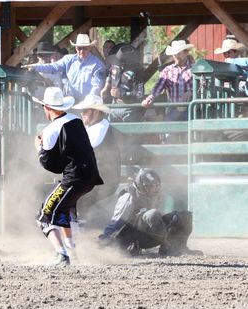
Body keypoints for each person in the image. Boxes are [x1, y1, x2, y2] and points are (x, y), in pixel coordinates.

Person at [34, 87, 103, 266]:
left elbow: (50, 165)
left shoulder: (50, 130)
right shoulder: (75, 120)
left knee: (44, 214)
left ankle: (61, 254)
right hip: (90, 176)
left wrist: (39, 149)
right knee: (63, 209)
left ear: (46, 107)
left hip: (74, 178)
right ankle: (71, 249)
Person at [98, 168, 202, 256]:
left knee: (185, 216)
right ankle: (166, 245)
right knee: (153, 214)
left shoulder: (154, 195)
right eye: (152, 186)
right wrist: (104, 240)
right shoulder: (128, 197)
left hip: (148, 233)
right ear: (143, 186)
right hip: (131, 238)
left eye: (157, 185)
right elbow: (116, 221)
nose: (156, 188)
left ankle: (178, 248)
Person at [74, 95, 121, 228]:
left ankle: (79, 230)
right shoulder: (96, 127)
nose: (82, 114)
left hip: (103, 181)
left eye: (85, 111)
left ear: (96, 112)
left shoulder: (100, 127)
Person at [23, 34, 106, 103]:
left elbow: (97, 85)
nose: (81, 51)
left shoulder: (97, 64)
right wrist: (35, 67)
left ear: (90, 48)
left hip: (87, 102)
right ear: (75, 48)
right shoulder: (68, 59)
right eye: (79, 48)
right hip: (70, 100)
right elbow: (53, 67)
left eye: (84, 48)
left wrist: (89, 100)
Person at [141, 40, 195, 121]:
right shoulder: (167, 70)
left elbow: (203, 88)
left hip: (191, 108)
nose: (176, 56)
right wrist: (150, 98)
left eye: (178, 53)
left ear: (186, 52)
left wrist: (191, 92)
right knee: (171, 131)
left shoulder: (195, 69)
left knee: (190, 132)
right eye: (174, 54)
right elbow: (158, 87)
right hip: (173, 109)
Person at [100, 43, 145, 122]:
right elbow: (110, 76)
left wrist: (121, 93)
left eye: (122, 63)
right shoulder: (115, 67)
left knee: (128, 132)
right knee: (112, 130)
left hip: (129, 108)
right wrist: (106, 87)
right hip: (114, 105)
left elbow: (140, 94)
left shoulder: (137, 73)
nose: (119, 64)